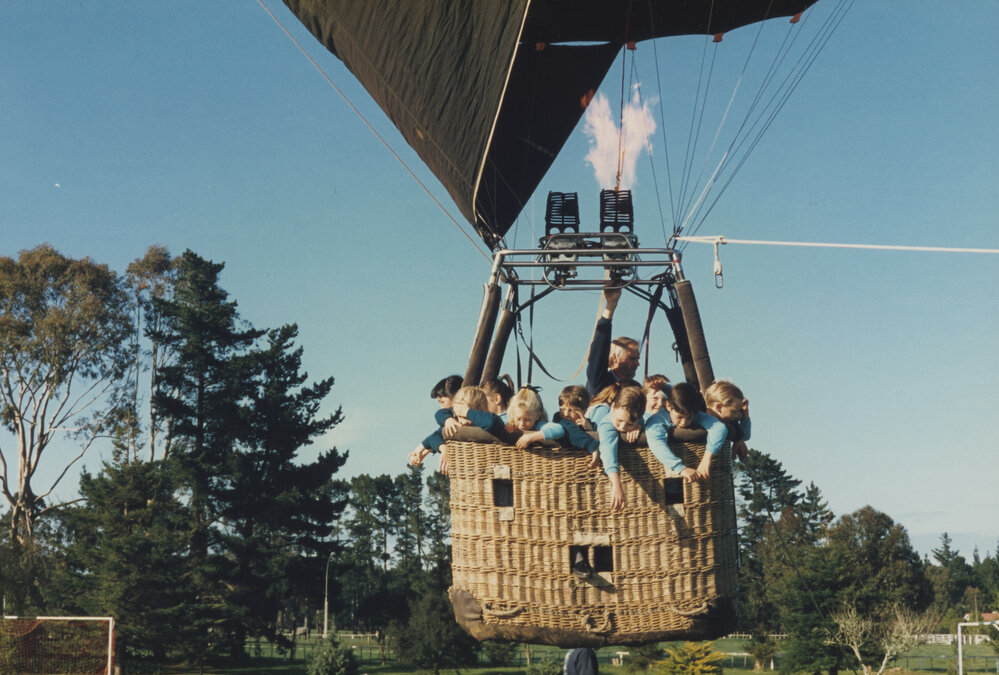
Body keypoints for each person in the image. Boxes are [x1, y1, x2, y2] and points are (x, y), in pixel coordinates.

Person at [646, 381, 730, 482]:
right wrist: (680, 468)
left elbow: (719, 428)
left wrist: (707, 459)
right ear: (668, 406)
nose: (684, 422)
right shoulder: (656, 420)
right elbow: (656, 443)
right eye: (679, 417)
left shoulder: (696, 414)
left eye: (689, 417)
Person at [591, 385, 646, 511]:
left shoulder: (637, 420)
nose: (622, 427)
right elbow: (607, 450)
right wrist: (616, 483)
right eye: (619, 420)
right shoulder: (607, 423)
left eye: (629, 424)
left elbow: (646, 420)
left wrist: (640, 427)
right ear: (613, 407)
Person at [585, 287, 640, 397]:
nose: (637, 364)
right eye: (632, 358)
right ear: (614, 357)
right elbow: (599, 350)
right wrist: (610, 305)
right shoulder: (599, 381)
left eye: (637, 359)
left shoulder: (635, 389)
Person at [516, 385, 598, 453]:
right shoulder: (559, 419)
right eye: (562, 409)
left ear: (584, 411)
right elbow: (571, 430)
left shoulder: (586, 422)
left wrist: (590, 427)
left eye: (572, 410)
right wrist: (593, 446)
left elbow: (598, 432)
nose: (565, 413)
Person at [408, 374, 463, 473]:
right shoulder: (450, 419)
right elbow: (434, 437)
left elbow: (439, 414)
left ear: (455, 397)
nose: (441, 407)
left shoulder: (457, 416)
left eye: (442, 402)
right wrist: (421, 451)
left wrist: (447, 419)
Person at [704, 379, 751, 461]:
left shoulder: (727, 420)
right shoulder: (701, 419)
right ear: (718, 407)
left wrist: (745, 414)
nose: (737, 416)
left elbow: (745, 436)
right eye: (734, 411)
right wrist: (738, 437)